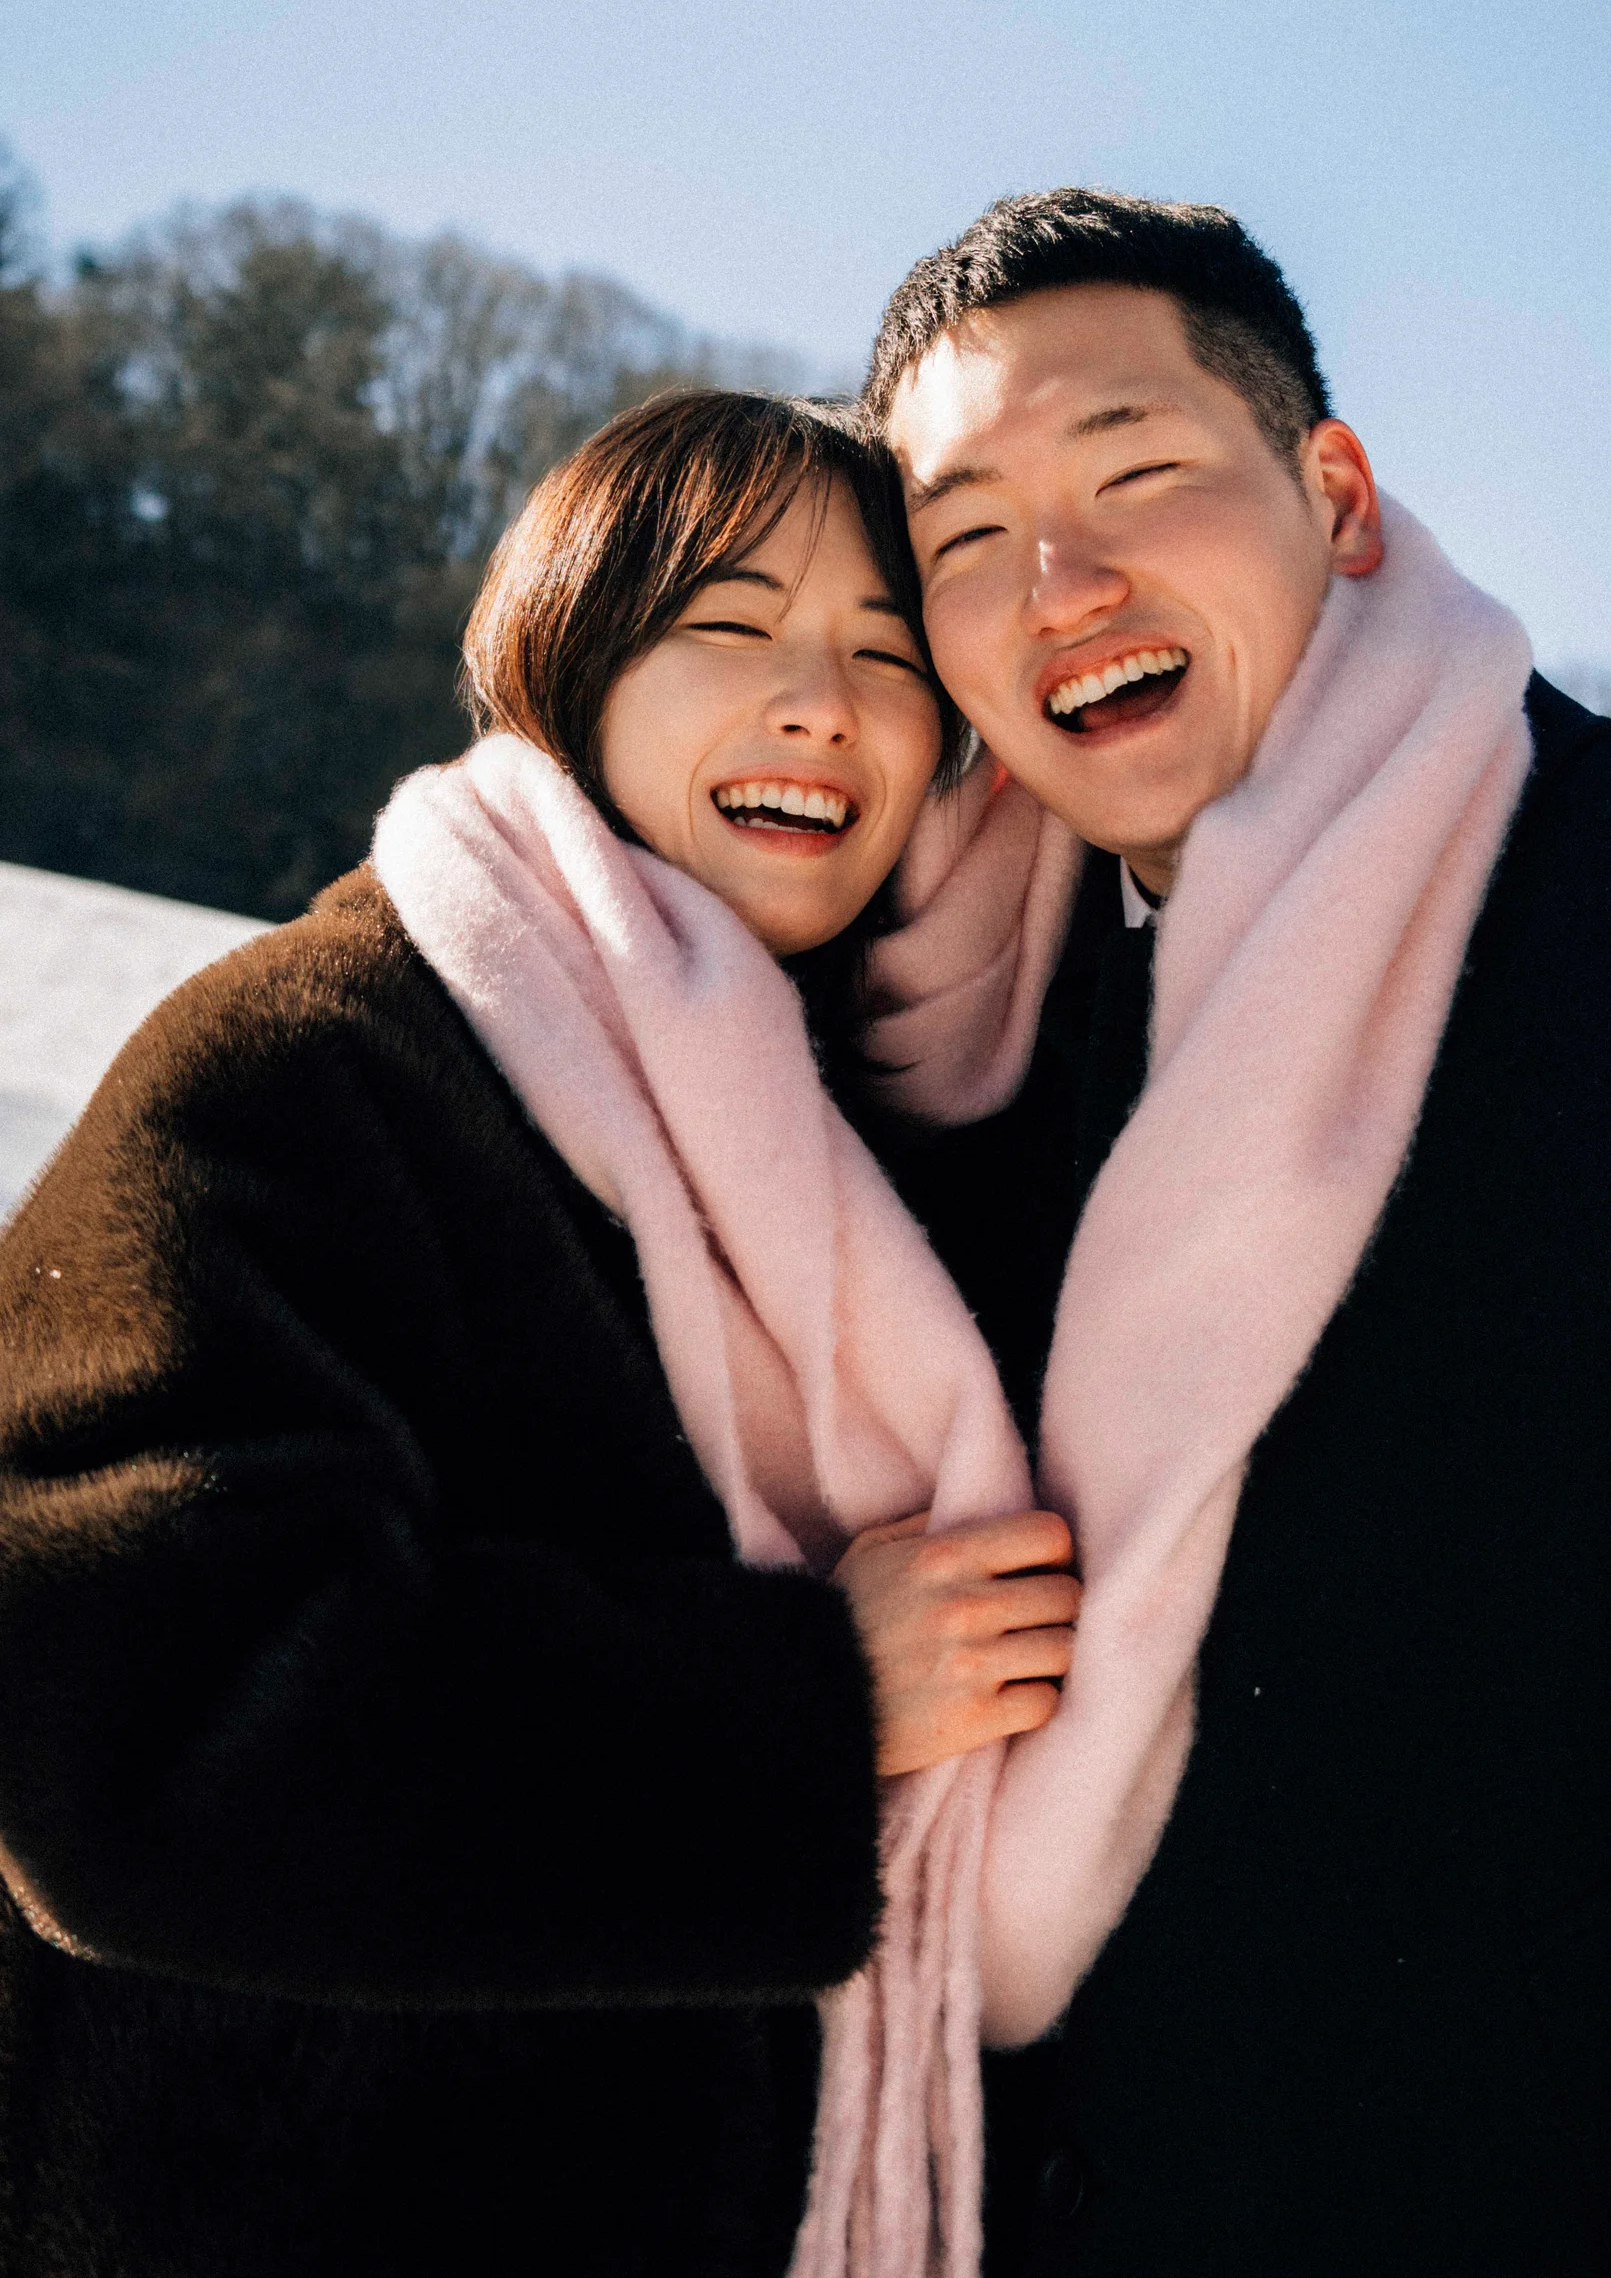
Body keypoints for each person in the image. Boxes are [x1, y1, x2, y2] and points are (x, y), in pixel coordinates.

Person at [860, 189, 1611, 2276]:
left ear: (1335, 498)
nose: (1062, 586)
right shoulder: (947, 1033)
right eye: (968, 536)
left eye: (1135, 475)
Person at [0, 390, 1080, 2278]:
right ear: (571, 668)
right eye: (731, 625)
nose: (822, 704)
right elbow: (124, 1734)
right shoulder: (313, 1060)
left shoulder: (854, 1164)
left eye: (888, 657)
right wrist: (803, 1706)